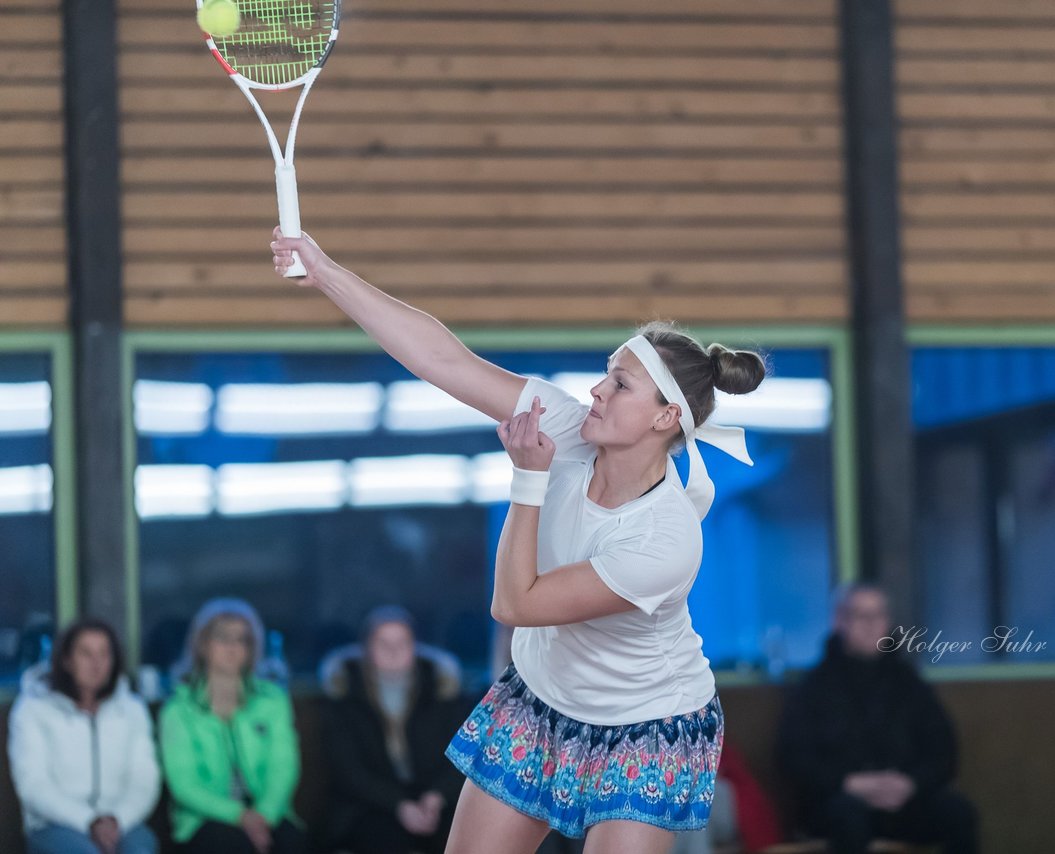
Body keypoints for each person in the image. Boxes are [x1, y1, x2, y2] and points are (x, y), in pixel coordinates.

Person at [269, 232, 766, 854]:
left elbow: (515, 605)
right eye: (606, 376)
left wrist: (528, 477)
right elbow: (446, 362)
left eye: (619, 384)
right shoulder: (568, 427)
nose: (596, 391)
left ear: (666, 418)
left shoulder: (666, 539)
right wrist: (328, 272)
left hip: (648, 723)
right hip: (542, 701)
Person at [778, 584, 979, 854]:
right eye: (862, 616)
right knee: (847, 817)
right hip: (838, 802)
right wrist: (850, 784)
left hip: (906, 800)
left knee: (958, 813)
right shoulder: (815, 687)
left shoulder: (908, 682)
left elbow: (943, 750)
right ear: (840, 621)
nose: (871, 625)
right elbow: (794, 758)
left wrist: (911, 783)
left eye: (879, 616)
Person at [159, 598, 304, 854]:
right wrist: (240, 816)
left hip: (268, 813)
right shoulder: (178, 710)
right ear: (202, 643)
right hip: (205, 820)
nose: (232, 647)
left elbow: (283, 768)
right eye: (222, 638)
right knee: (231, 844)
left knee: (295, 843)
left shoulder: (272, 701)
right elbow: (184, 786)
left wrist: (264, 816)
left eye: (242, 639)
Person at [320, 606, 466, 854]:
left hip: (435, 799)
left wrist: (436, 796)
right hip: (372, 804)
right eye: (383, 643)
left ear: (415, 647)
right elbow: (349, 771)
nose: (393, 651)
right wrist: (399, 804)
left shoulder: (440, 692)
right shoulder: (347, 695)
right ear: (367, 649)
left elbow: (463, 755)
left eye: (402, 642)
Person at [8, 618, 161, 854]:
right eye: (86, 654)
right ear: (67, 660)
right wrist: (89, 821)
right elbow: (34, 784)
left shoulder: (132, 708)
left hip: (122, 823)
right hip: (54, 825)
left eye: (104, 654)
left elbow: (144, 779)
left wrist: (116, 820)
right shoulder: (33, 709)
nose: (96, 664)